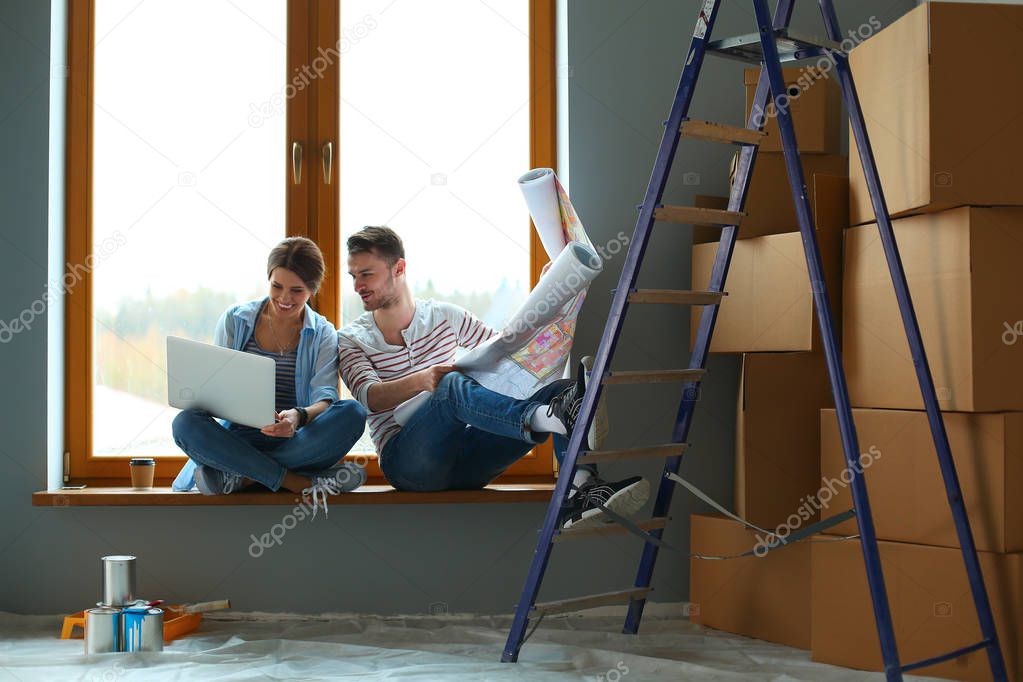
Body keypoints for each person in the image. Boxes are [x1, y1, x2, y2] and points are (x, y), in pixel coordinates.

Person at [337, 226, 649, 528]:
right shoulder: (351, 338)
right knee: (449, 386)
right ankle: (551, 417)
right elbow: (370, 397)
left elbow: (506, 351)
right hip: (408, 465)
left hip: (468, 462)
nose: (357, 285)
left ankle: (580, 490)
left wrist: (546, 294)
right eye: (353, 276)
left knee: (566, 390)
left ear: (399, 268)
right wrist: (424, 380)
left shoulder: (445, 316)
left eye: (367, 274)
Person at [171, 237, 367, 516]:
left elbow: (325, 399)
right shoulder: (235, 320)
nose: (285, 298)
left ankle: (243, 476)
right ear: (268, 279)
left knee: (352, 412)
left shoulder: (323, 333)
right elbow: (215, 387)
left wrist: (297, 417)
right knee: (185, 423)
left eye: (296, 290)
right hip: (237, 440)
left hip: (294, 439)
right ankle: (296, 480)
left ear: (312, 290)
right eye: (277, 286)